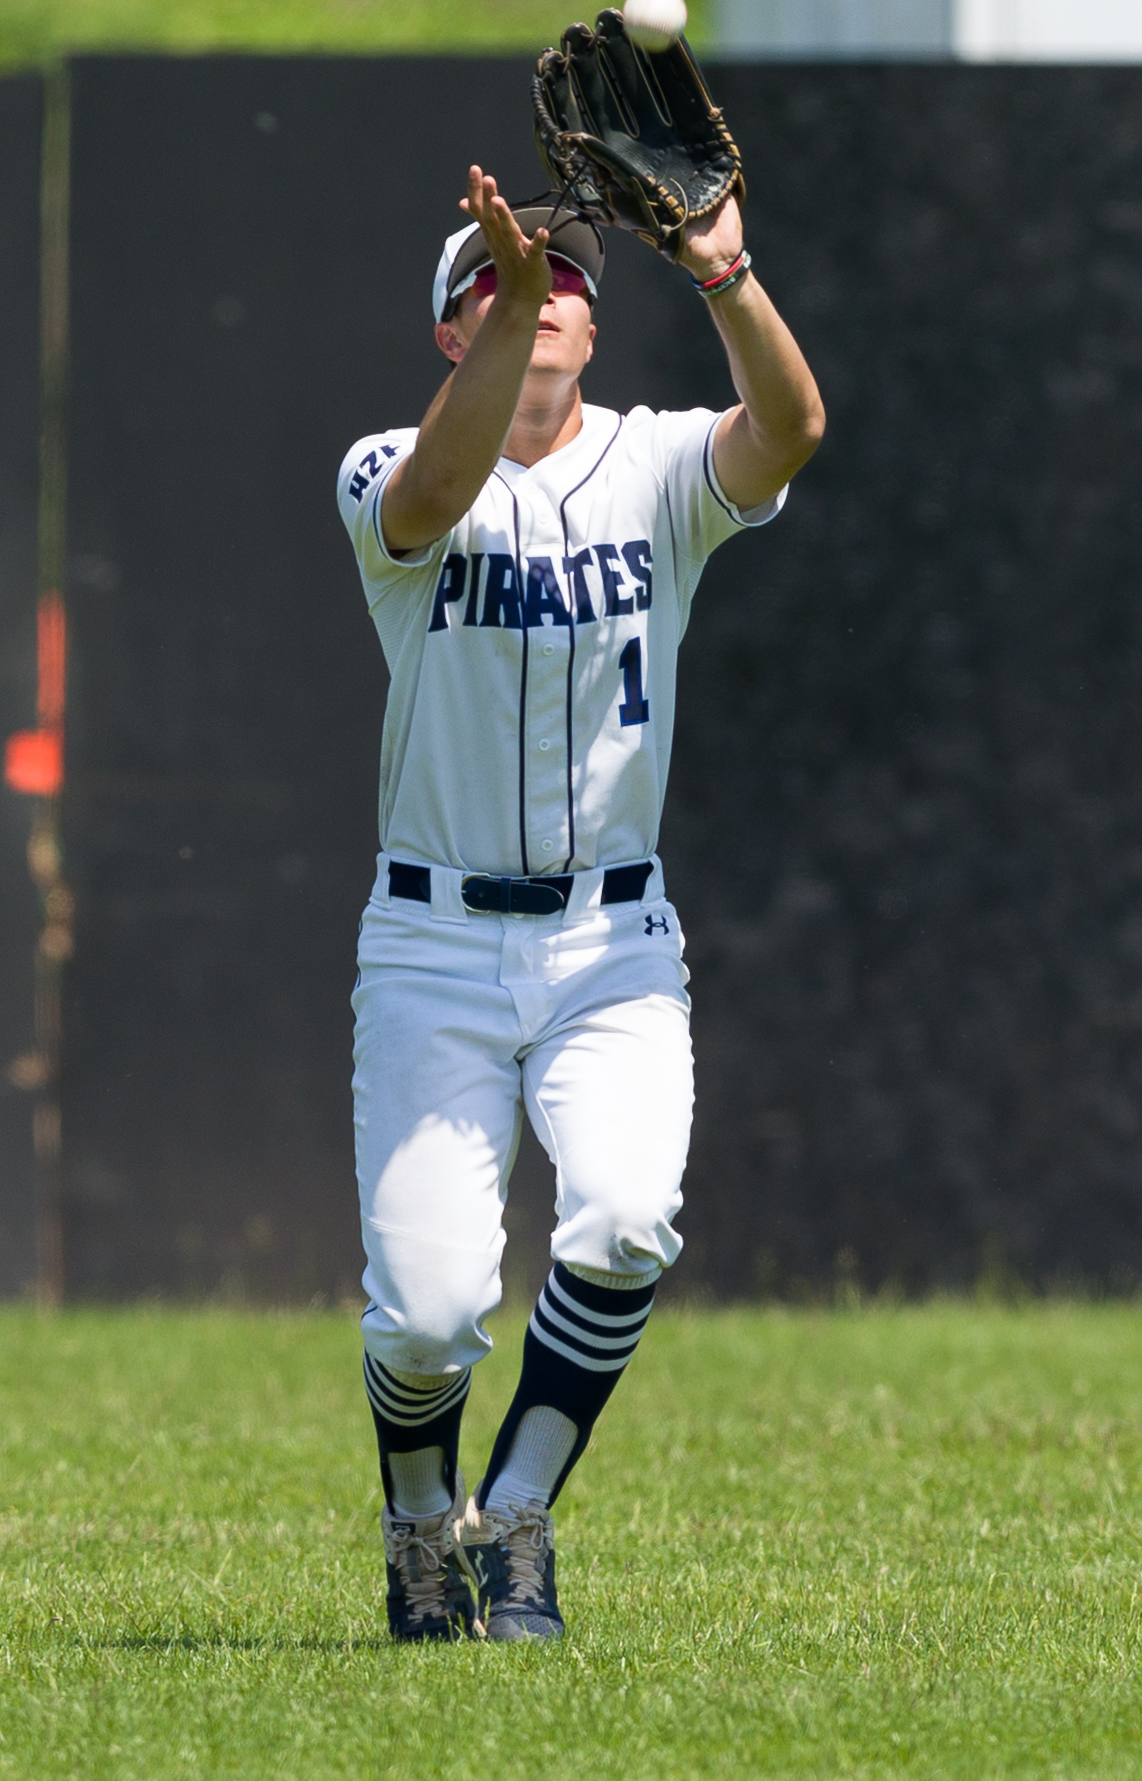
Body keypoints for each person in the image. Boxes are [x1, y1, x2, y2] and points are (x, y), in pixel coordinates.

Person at [335, 165, 825, 1642]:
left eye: (558, 282)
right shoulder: (380, 465)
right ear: (448, 335)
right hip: (432, 942)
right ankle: (418, 1524)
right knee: (425, 1317)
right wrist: (506, 293)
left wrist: (725, 273)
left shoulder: (660, 464)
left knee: (621, 1222)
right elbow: (435, 490)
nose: (536, 294)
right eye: (492, 281)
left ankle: (517, 1514)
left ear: (597, 331)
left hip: (613, 939)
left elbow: (792, 429)